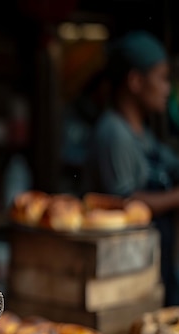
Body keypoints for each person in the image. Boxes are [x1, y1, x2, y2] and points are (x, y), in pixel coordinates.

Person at [87, 30, 179, 306]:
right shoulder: (113, 134)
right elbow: (123, 203)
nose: (168, 89)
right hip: (122, 277)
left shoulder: (143, 135)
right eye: (162, 79)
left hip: (152, 263)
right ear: (136, 81)